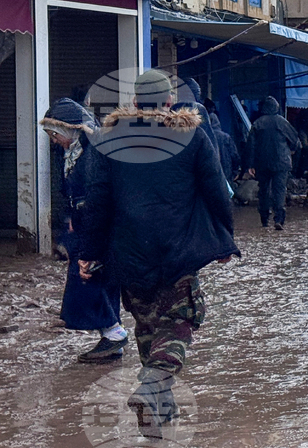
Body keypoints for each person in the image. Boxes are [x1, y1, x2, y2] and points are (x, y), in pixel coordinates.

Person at [79, 70, 238, 435]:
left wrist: (88, 253)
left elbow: (96, 203)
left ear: (135, 102)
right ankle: (151, 390)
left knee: (148, 330)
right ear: (169, 102)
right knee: (180, 323)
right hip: (179, 252)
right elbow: (217, 191)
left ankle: (155, 426)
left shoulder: (106, 139)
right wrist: (224, 240)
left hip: (129, 256)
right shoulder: (192, 136)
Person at [41, 98, 128, 363]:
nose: (54, 140)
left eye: (55, 134)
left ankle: (114, 332)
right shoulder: (75, 152)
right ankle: (112, 336)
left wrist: (88, 235)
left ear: (69, 129)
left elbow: (97, 198)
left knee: (87, 278)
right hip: (86, 225)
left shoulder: (92, 154)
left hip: (96, 227)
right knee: (94, 279)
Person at [246, 96, 301, 230]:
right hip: (281, 162)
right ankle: (279, 219)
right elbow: (295, 140)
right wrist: (292, 151)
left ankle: (264, 219)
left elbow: (250, 146)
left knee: (264, 190)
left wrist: (250, 165)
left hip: (262, 163)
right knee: (279, 190)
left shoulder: (257, 124)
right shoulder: (282, 122)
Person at [209, 113, 240, 182]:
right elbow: (234, 155)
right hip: (226, 171)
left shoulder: (204, 137)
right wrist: (235, 171)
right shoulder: (226, 137)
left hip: (210, 174)